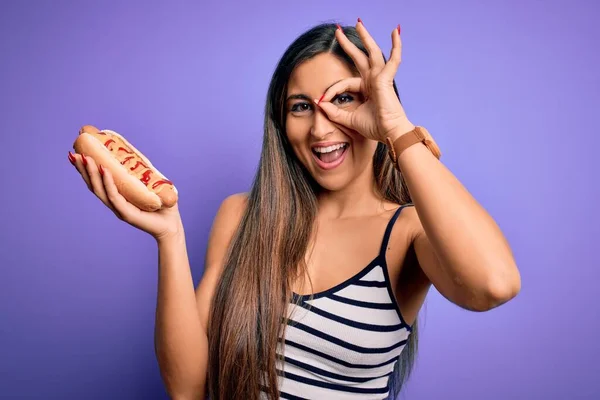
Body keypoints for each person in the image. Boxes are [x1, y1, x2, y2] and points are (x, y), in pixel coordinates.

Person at [68, 20, 521, 400]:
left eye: (343, 98)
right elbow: (186, 387)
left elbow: (493, 285)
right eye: (301, 106)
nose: (322, 127)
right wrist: (169, 236)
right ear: (281, 124)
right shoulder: (242, 216)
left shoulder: (406, 232)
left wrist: (397, 129)